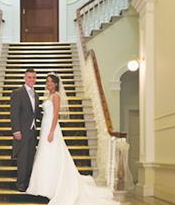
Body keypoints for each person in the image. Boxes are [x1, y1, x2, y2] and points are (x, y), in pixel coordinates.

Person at [26, 72, 120, 205]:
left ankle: (54, 187)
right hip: (44, 128)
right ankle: (43, 186)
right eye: (46, 81)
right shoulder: (49, 96)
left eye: (50, 81)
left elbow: (55, 116)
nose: (48, 84)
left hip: (51, 129)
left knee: (53, 155)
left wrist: (52, 131)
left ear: (56, 83)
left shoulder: (56, 97)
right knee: (45, 155)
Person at [10, 68, 41, 192]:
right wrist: (16, 130)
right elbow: (14, 113)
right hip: (22, 132)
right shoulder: (18, 92)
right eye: (29, 77)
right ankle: (20, 184)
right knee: (22, 159)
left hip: (33, 132)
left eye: (34, 77)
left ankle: (28, 183)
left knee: (30, 158)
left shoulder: (36, 94)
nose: (32, 80)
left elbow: (36, 113)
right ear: (25, 78)